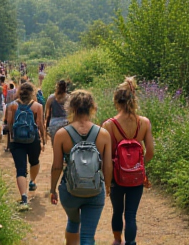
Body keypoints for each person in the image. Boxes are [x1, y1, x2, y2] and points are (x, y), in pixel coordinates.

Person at [50, 90, 112, 245]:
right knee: (87, 236)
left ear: (71, 108)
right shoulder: (103, 134)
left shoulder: (62, 134)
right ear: (92, 108)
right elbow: (108, 165)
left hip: (69, 190)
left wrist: (52, 189)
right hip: (95, 190)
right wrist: (107, 186)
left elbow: (57, 166)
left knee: (73, 221)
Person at [102, 77, 154, 245]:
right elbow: (150, 152)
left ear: (116, 101)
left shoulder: (109, 125)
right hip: (136, 178)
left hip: (117, 177)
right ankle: (130, 242)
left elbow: (107, 158)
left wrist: (107, 183)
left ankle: (117, 241)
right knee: (131, 214)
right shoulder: (144, 123)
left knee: (117, 212)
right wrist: (137, 166)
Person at [6, 82, 46, 206]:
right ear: (32, 93)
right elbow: (40, 123)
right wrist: (43, 138)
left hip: (17, 141)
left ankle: (24, 197)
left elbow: (9, 124)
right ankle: (32, 181)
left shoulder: (12, 105)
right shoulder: (37, 106)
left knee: (21, 170)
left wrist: (10, 140)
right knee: (34, 161)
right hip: (33, 140)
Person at [45, 80, 69, 145]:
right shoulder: (69, 98)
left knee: (55, 145)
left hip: (54, 123)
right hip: (66, 123)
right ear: (66, 88)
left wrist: (46, 127)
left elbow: (47, 115)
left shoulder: (51, 98)